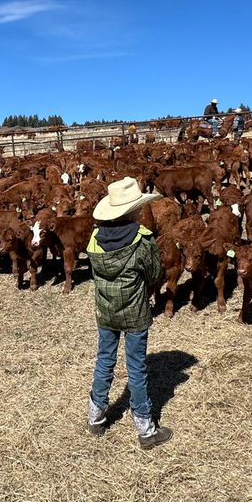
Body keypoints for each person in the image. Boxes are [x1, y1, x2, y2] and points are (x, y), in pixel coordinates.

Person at [85, 177, 173, 449]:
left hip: (106, 311)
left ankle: (96, 417)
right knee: (136, 367)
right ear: (132, 210)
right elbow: (155, 274)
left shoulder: (94, 239)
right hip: (134, 313)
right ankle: (146, 429)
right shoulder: (142, 239)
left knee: (104, 360)